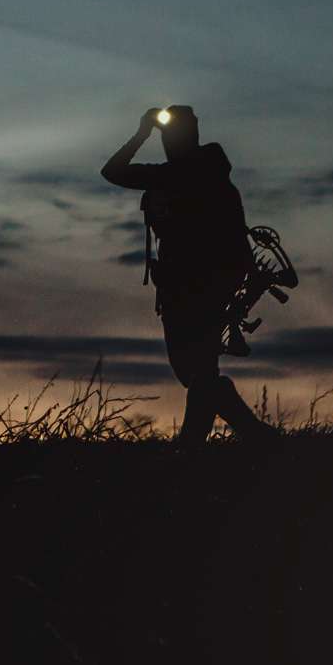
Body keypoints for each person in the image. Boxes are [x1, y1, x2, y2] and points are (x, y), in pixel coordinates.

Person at [101, 105, 280, 444]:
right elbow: (111, 172)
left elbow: (113, 171)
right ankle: (241, 438)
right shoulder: (193, 176)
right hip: (185, 289)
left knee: (196, 373)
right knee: (198, 374)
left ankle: (204, 444)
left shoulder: (192, 177)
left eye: (172, 133)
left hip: (200, 290)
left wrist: (142, 133)